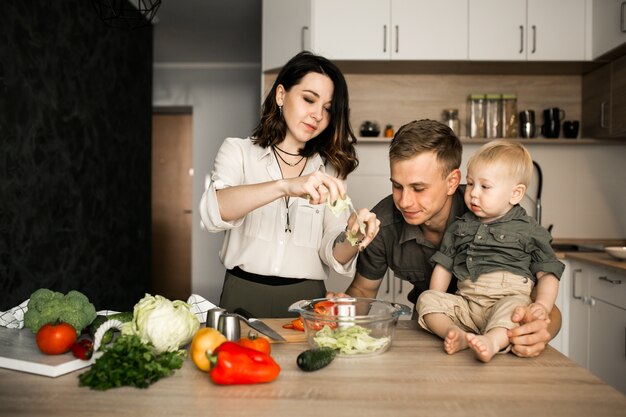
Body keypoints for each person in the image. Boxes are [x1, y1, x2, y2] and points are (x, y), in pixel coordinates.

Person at [335, 119, 562, 358]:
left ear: (452, 181)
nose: (404, 201)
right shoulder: (383, 222)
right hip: (435, 335)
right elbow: (362, 290)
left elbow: (539, 301)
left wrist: (541, 330)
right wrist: (338, 311)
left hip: (500, 336)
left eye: (418, 188)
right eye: (397, 186)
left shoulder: (489, 208)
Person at [199, 51, 380, 318]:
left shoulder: (331, 168)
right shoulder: (238, 151)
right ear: (281, 95)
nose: (317, 115)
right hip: (242, 292)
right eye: (309, 99)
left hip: (307, 301)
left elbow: (334, 251)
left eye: (328, 108)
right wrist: (286, 185)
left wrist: (354, 236)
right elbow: (216, 212)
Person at [416, 140, 564, 362]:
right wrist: (438, 297)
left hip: (506, 300)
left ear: (515, 194)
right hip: (467, 302)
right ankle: (455, 334)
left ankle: (492, 341)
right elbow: (444, 266)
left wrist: (542, 305)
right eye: (470, 183)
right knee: (426, 299)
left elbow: (548, 273)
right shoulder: (459, 226)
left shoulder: (530, 230)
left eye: (485, 187)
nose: (473, 193)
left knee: (517, 309)